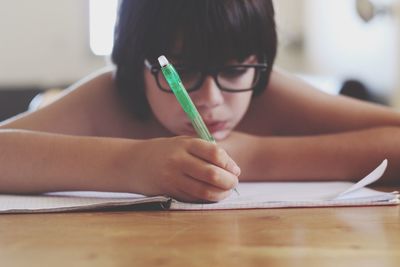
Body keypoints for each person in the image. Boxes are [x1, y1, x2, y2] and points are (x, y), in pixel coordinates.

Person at [0, 0, 399, 203]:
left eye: (233, 72)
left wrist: (258, 156)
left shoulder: (263, 88)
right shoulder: (107, 97)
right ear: (136, 63)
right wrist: (133, 166)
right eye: (182, 73)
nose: (210, 100)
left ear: (258, 64)